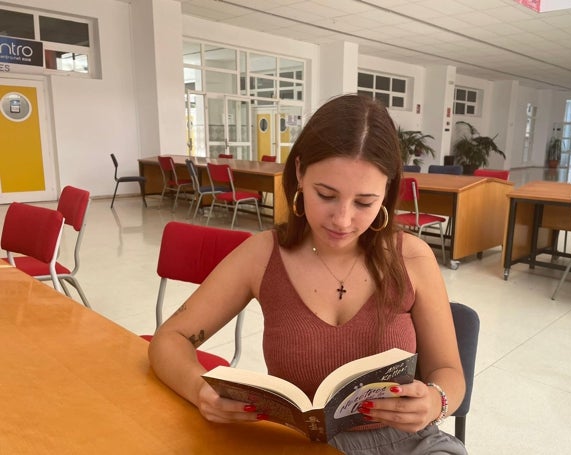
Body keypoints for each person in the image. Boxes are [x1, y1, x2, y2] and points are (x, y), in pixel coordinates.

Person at [148, 94, 467, 454]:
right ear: (299, 172)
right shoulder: (263, 255)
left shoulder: (412, 257)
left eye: (364, 202)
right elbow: (168, 339)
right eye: (326, 194)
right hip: (303, 445)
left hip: (411, 444)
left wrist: (435, 401)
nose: (343, 220)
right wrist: (199, 391)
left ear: (387, 191)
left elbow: (450, 373)